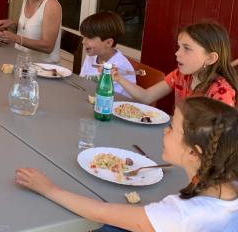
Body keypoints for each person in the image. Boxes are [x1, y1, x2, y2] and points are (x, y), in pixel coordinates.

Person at [16, 96, 238, 232]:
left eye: (172, 127)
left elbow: (102, 212)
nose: (165, 130)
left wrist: (48, 189)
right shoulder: (228, 183)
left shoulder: (182, 215)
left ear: (193, 152)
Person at [113, 22, 237, 107]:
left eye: (187, 48)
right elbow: (147, 96)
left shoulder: (221, 92)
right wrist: (119, 78)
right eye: (179, 47)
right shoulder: (180, 76)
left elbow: (220, 139)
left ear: (210, 58)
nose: (177, 53)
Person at [78, 11, 136, 97]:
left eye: (89, 37)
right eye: (84, 36)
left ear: (108, 43)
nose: (83, 41)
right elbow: (82, 82)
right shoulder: (92, 56)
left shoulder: (119, 66)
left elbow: (112, 98)